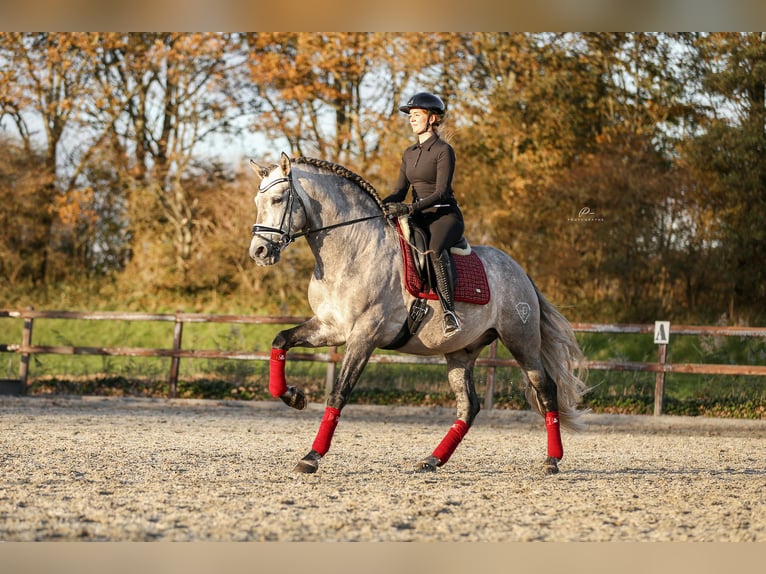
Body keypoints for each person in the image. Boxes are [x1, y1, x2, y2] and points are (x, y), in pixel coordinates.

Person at [382, 91, 465, 338]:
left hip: (444, 216)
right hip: (418, 216)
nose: (411, 119)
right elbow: (399, 191)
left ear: (431, 118)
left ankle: (450, 313)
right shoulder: (409, 153)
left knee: (435, 249)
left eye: (416, 114)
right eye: (410, 115)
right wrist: (378, 204)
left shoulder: (443, 151)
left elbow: (441, 192)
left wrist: (409, 208)